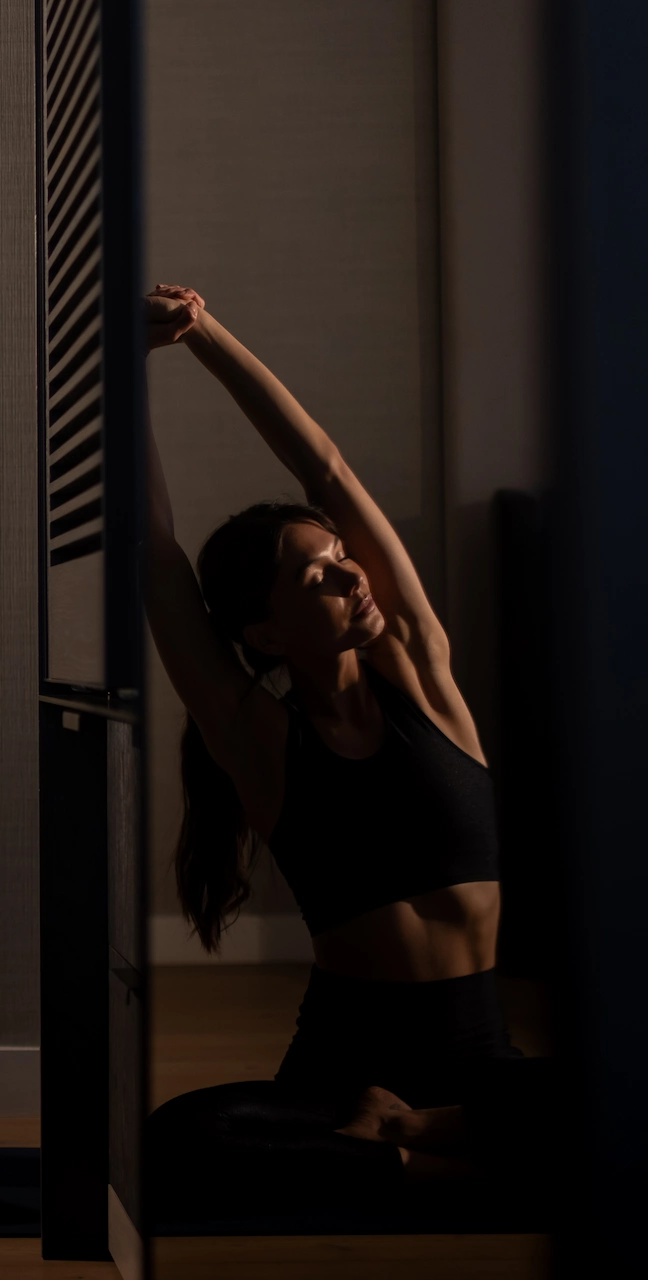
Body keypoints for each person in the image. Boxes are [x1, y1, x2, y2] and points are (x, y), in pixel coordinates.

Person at [138, 285, 547, 1207]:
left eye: (341, 557)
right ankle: (447, 1164)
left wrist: (205, 332)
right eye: (314, 575)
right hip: (342, 1067)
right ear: (267, 634)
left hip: (478, 1062)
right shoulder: (257, 738)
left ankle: (416, 1141)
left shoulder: (423, 677)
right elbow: (154, 552)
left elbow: (324, 465)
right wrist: (127, 376)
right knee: (179, 1141)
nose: (349, 573)